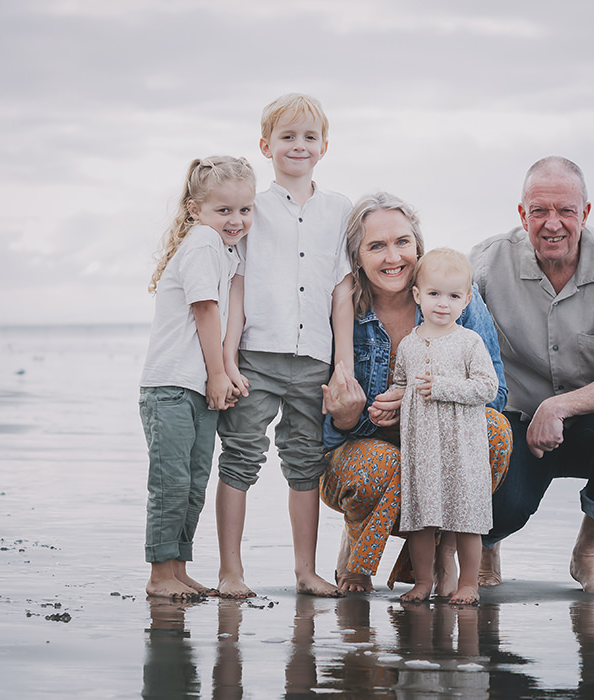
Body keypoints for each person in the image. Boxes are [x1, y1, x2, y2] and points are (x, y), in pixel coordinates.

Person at [470, 156, 594, 594]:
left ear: (586, 214)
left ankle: (588, 551)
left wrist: (558, 406)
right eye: (539, 211)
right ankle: (488, 542)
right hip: (517, 425)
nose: (552, 224)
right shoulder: (483, 265)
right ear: (522, 215)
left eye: (565, 211)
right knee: (506, 510)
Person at [319, 192, 512, 595]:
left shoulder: (454, 297)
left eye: (402, 242)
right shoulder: (341, 312)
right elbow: (319, 432)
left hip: (442, 444)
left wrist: (420, 399)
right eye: (377, 246)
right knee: (386, 463)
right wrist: (348, 418)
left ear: (418, 247)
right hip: (363, 451)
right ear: (357, 256)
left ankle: (445, 550)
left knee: (495, 431)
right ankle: (357, 546)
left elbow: (495, 395)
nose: (393, 257)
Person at [216, 94, 353, 599]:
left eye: (309, 137)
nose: (299, 145)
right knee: (239, 457)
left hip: (314, 358)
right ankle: (231, 571)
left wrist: (344, 365)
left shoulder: (339, 209)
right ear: (265, 145)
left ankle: (305, 569)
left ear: (323, 147)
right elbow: (237, 280)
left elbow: (342, 289)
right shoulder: (254, 207)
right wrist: (227, 359)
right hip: (257, 354)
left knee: (305, 463)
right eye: (287, 136)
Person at [139, 156, 256, 599]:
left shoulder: (225, 250)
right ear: (195, 210)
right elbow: (205, 310)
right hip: (171, 387)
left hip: (195, 385)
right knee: (171, 483)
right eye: (223, 209)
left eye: (244, 209)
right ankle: (159, 575)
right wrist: (218, 373)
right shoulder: (204, 242)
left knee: (191, 482)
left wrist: (221, 373)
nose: (236, 219)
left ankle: (179, 568)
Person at [393, 248, 499, 605]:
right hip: (421, 448)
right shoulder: (408, 344)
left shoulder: (469, 342)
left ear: (467, 300)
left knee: (466, 517)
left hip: (463, 448)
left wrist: (441, 387)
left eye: (454, 296)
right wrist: (385, 405)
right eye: (435, 294)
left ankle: (468, 582)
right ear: (417, 294)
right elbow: (401, 384)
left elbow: (488, 387)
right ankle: (424, 581)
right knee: (421, 518)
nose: (443, 303)